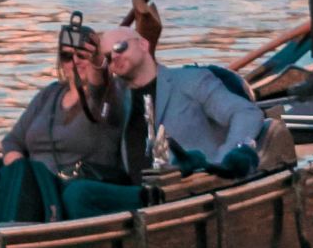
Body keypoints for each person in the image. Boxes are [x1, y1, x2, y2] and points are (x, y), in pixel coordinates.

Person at [0, 14, 129, 220]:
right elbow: (13, 141)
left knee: (21, 175)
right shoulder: (50, 94)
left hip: (70, 186)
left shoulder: (110, 96)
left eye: (82, 56)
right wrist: (16, 167)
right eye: (67, 56)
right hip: (30, 185)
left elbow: (100, 88)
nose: (74, 62)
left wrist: (98, 62)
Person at [98, 27, 266, 183]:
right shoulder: (114, 99)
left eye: (120, 47)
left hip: (195, 188)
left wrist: (224, 160)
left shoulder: (192, 81)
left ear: (143, 44)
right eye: (107, 57)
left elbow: (247, 113)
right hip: (139, 196)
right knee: (77, 191)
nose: (114, 57)